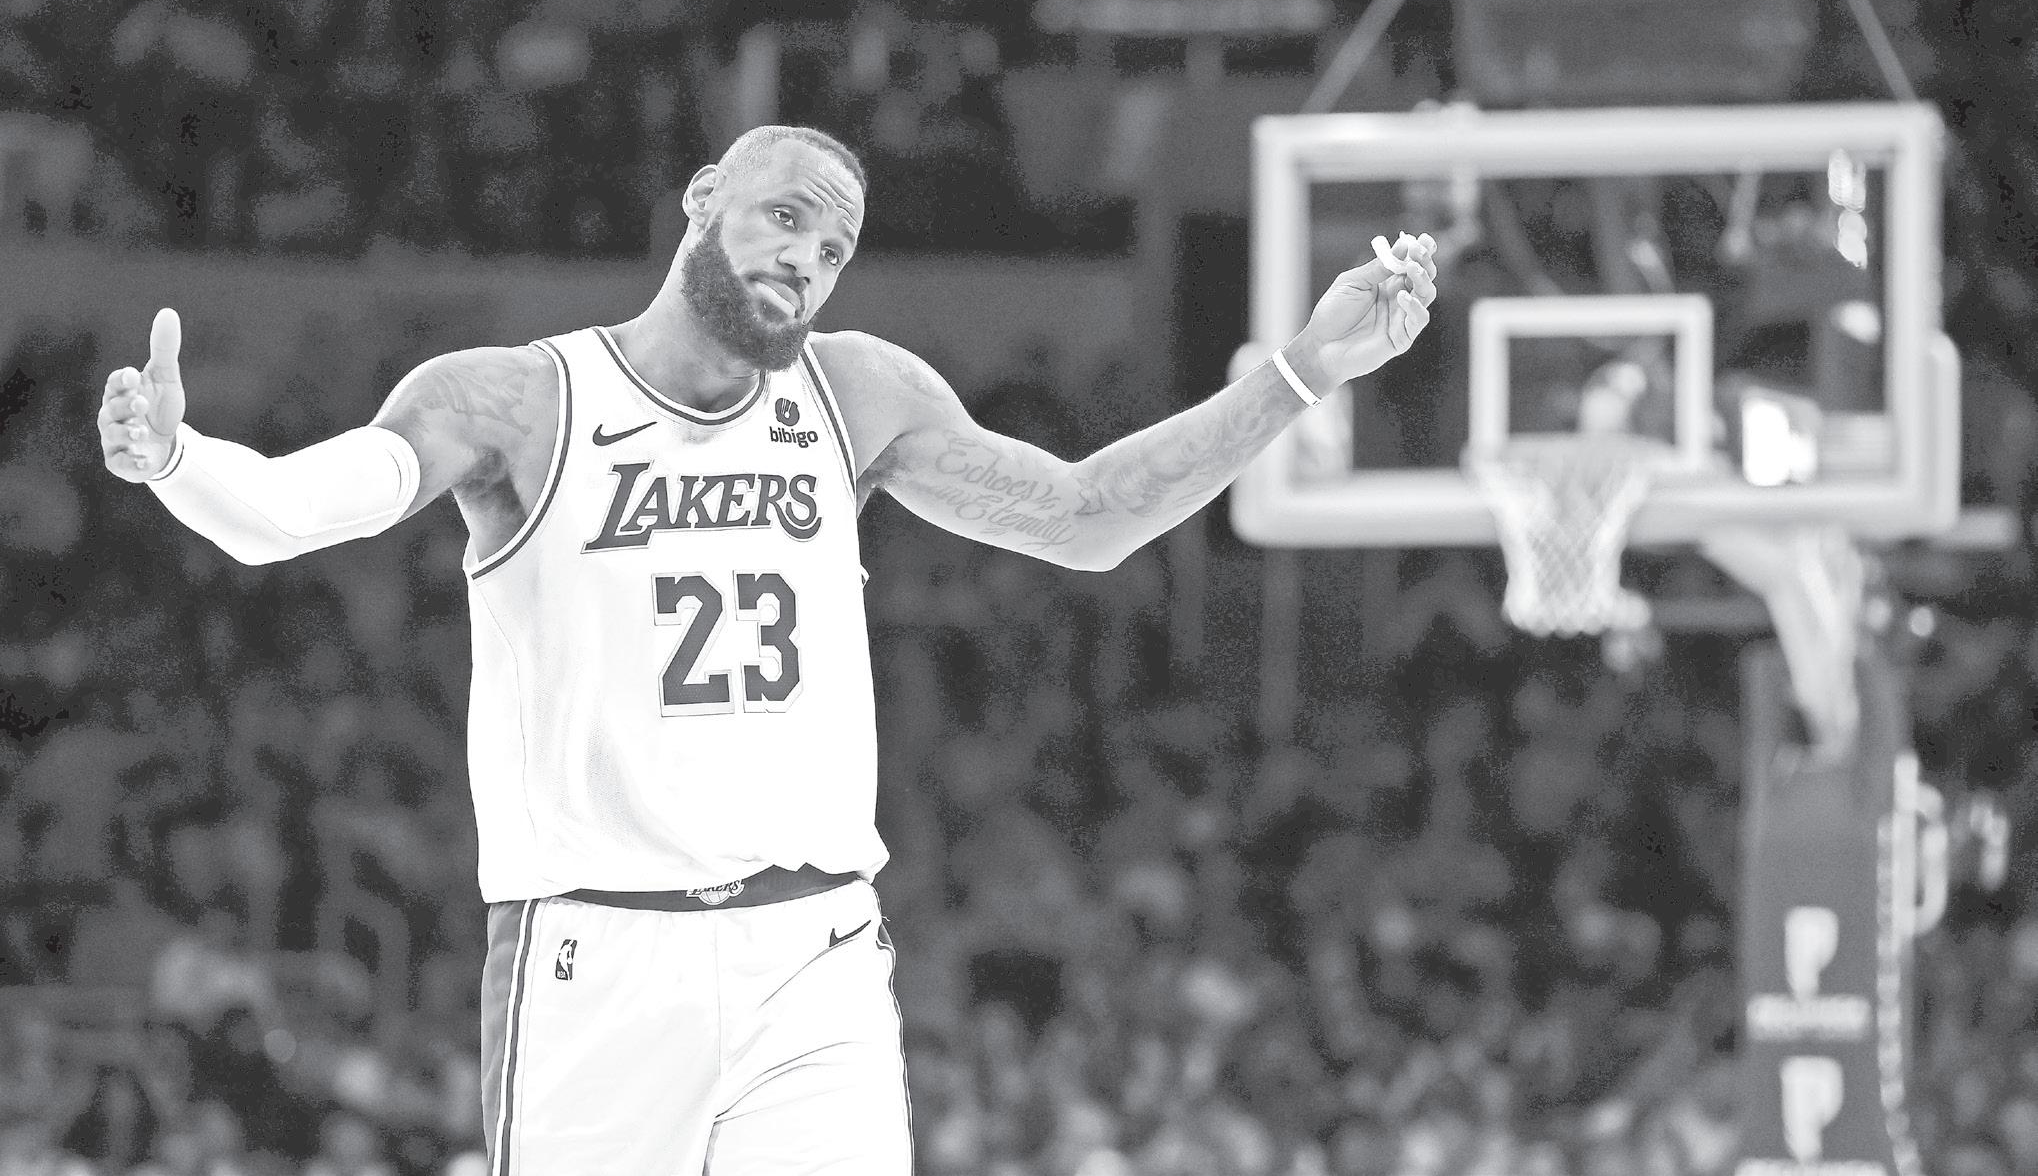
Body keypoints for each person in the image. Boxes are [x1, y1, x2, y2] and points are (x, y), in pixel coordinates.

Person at [99, 124, 1437, 1174]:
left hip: (815, 951)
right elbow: (301, 511)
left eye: (834, 244)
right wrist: (180, 461)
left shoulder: (856, 391)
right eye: (784, 216)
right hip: (598, 957)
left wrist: (1300, 373)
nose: (807, 257)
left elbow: (1087, 519)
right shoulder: (518, 399)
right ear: (702, 199)